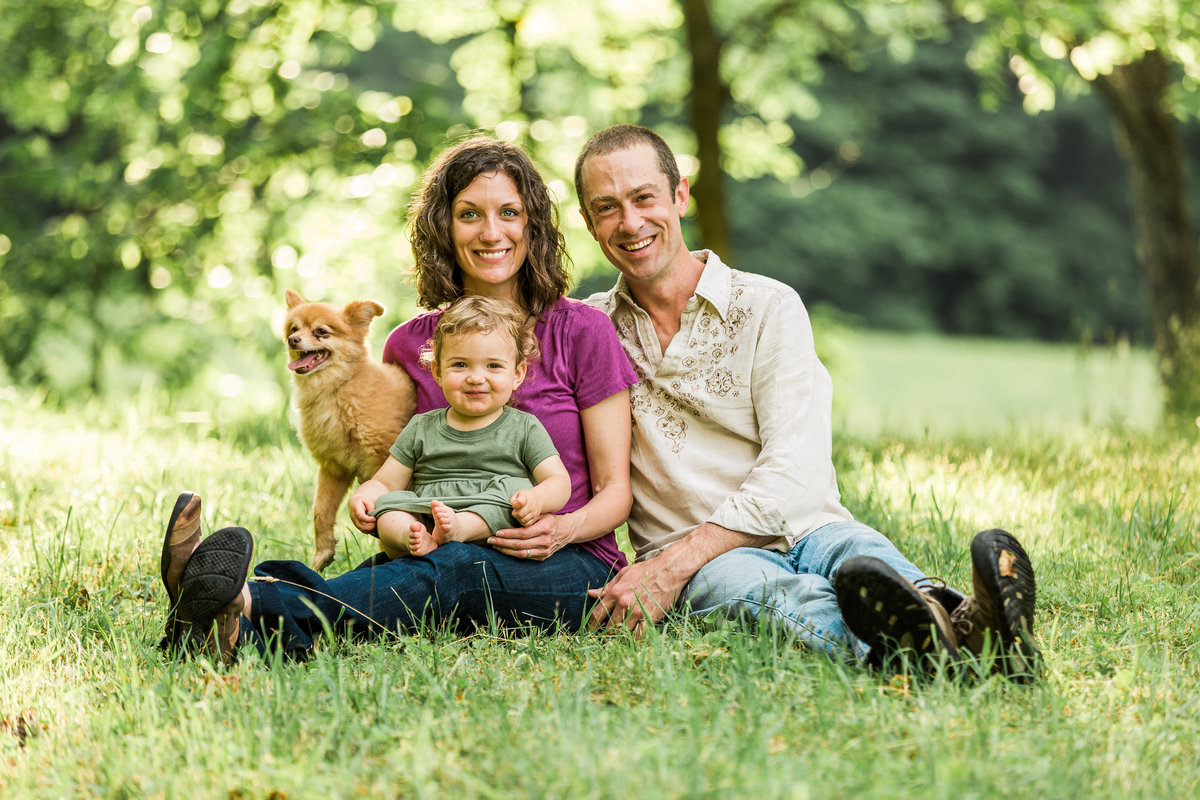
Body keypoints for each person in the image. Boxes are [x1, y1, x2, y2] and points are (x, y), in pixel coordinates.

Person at [575, 124, 1041, 678]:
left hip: (808, 524)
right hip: (711, 561)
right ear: (588, 223)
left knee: (863, 556)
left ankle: (960, 621)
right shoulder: (590, 332)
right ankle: (957, 645)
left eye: (643, 197)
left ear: (680, 195)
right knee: (771, 594)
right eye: (606, 208)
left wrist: (671, 566)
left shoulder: (769, 305)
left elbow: (796, 471)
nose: (629, 222)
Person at [159, 137, 638, 661]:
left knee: (454, 572)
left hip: (570, 562)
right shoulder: (409, 345)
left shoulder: (582, 330)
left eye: (509, 213)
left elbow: (616, 493)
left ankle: (242, 599)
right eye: (469, 214)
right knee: (393, 576)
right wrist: (375, 504)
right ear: (443, 227)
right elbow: (400, 464)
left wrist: (558, 529)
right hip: (441, 541)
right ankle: (232, 628)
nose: (491, 232)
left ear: (533, 225)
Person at [349, 295, 571, 558]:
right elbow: (387, 482)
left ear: (517, 374)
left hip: (490, 510)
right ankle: (413, 535)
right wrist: (365, 495)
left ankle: (460, 528)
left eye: (493, 366)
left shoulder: (523, 427)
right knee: (388, 506)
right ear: (438, 372)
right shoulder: (422, 427)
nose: (476, 378)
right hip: (429, 511)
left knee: (511, 495)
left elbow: (558, 481)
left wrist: (537, 499)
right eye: (460, 365)